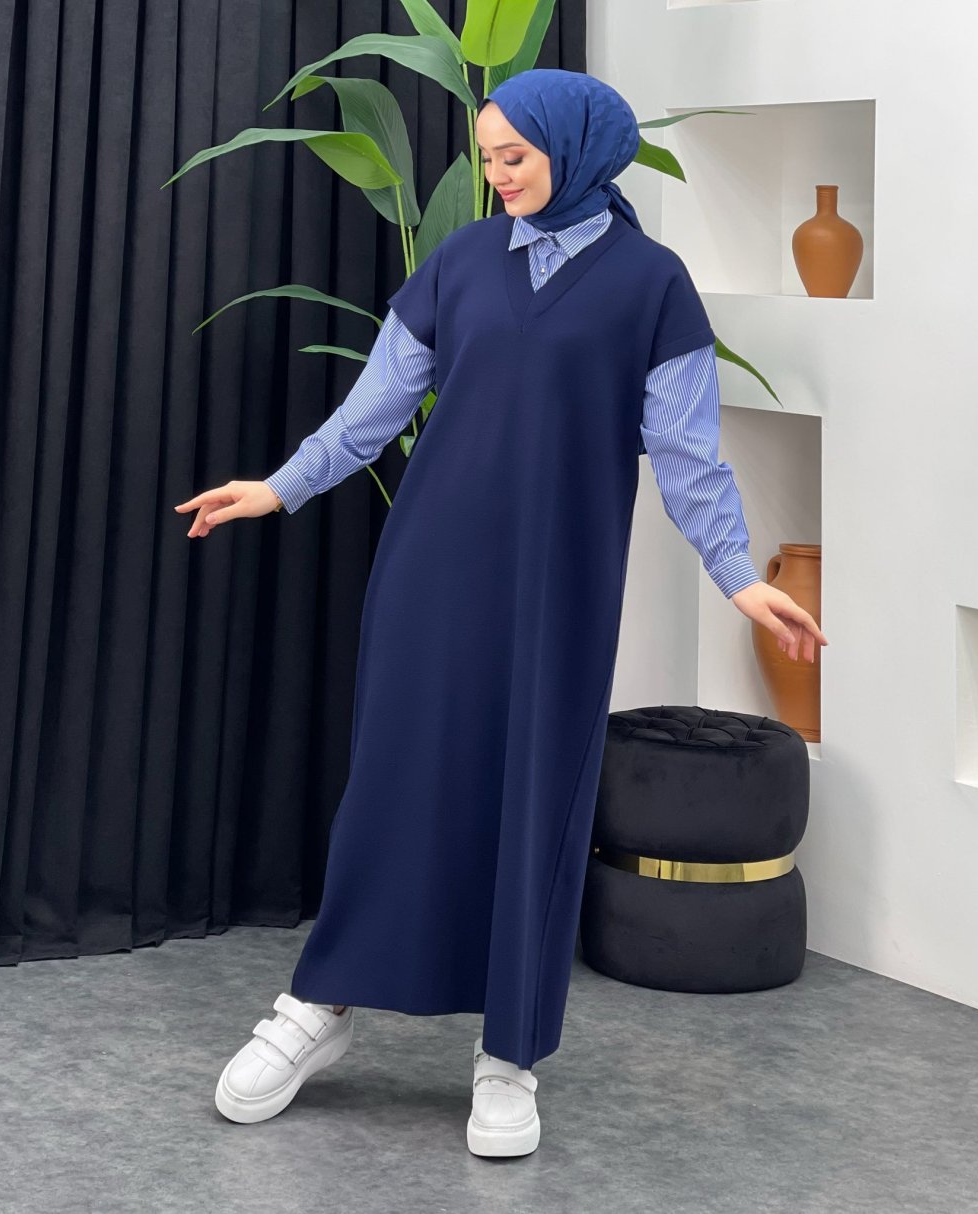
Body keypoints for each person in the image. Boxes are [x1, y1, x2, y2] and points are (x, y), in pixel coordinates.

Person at [174, 68, 828, 1158]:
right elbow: (374, 408)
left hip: (559, 588)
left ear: (576, 149)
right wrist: (278, 487)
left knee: (534, 798)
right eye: (487, 157)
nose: (497, 176)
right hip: (429, 572)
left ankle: (508, 1052)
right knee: (392, 785)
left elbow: (687, 455)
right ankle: (321, 1003)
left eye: (514, 156)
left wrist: (738, 575)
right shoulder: (462, 261)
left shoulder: (653, 285)